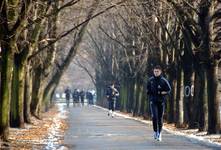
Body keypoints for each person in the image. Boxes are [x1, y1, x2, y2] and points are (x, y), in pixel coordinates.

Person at [147, 65, 171, 141]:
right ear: (153, 72)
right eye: (155, 71)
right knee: (154, 116)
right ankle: (155, 131)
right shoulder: (150, 80)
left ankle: (159, 133)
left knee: (160, 118)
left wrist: (162, 92)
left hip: (161, 101)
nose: (156, 73)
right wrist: (149, 94)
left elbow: (169, 90)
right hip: (153, 101)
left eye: (157, 71)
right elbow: (147, 90)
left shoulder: (164, 80)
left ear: (160, 72)